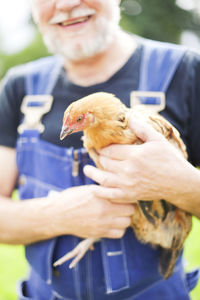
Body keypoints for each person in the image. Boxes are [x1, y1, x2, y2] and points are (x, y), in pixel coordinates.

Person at [0, 0, 200, 299]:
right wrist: (56, 215)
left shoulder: (186, 71)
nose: (66, 4)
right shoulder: (19, 87)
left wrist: (182, 185)